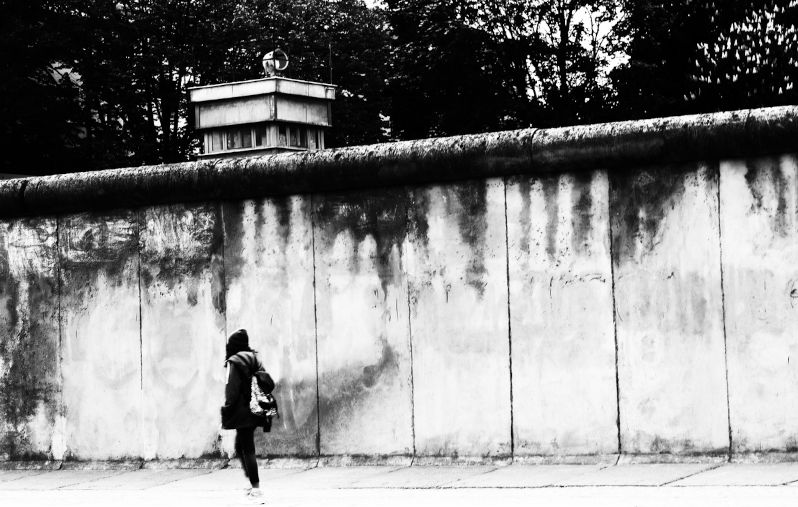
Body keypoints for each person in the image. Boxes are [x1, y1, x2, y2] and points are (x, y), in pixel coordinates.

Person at [222, 329, 268, 502]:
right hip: (256, 408)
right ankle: (252, 482)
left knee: (246, 448)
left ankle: (256, 488)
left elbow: (231, 389)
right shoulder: (253, 358)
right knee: (241, 445)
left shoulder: (234, 361)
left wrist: (228, 407)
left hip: (242, 411)